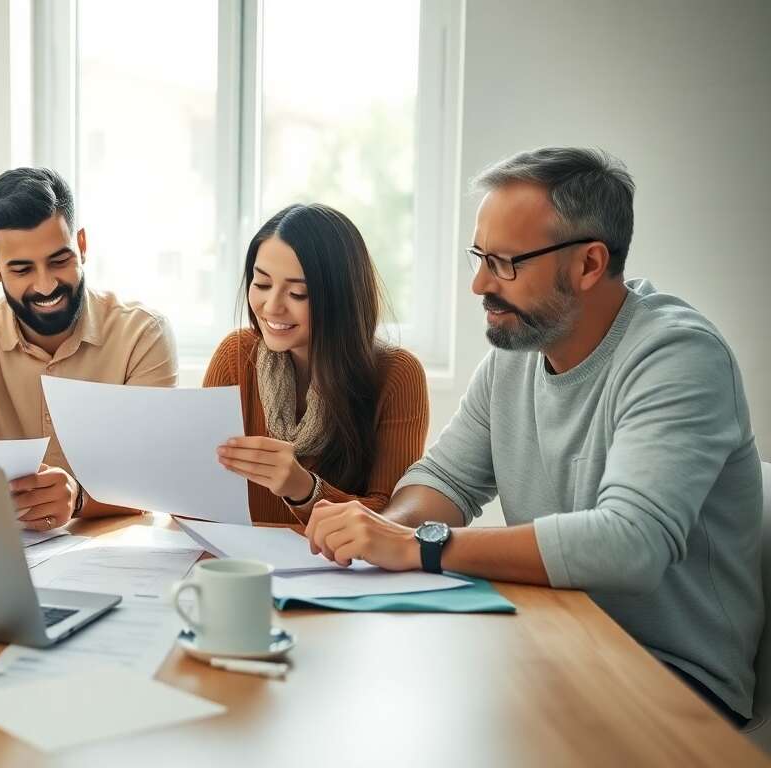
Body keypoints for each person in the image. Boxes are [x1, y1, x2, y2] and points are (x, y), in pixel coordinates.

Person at [302, 147, 763, 726]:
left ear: (589, 265)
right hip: (556, 634)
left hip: (674, 679)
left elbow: (632, 544)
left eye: (504, 263)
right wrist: (385, 533)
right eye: (479, 257)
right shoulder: (521, 349)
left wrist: (420, 547)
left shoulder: (679, 357)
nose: (478, 284)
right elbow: (445, 478)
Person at [0, 167, 178, 531]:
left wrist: (78, 498)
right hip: (22, 549)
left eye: (59, 260)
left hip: (120, 547)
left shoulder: (143, 334)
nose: (46, 284)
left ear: (81, 245)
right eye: (21, 269)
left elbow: (153, 480)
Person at [205, 203, 428, 524]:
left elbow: (394, 520)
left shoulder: (396, 375)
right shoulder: (236, 356)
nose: (271, 307)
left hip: (336, 570)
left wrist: (305, 489)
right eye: (262, 284)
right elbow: (200, 490)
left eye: (297, 293)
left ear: (341, 299)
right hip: (238, 563)